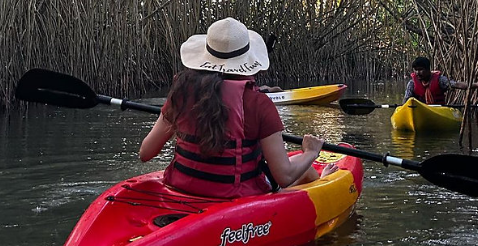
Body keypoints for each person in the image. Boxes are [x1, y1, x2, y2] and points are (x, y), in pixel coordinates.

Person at [139, 17, 338, 198]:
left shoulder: (180, 94)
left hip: (183, 188)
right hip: (235, 196)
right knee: (307, 170)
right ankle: (322, 184)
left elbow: (145, 153)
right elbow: (284, 175)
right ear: (248, 61)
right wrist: (311, 152)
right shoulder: (259, 104)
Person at [402, 56, 478, 104]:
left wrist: (476, 85)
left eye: (420, 70)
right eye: (415, 70)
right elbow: (406, 99)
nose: (417, 73)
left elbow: (456, 84)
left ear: (428, 69)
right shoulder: (412, 83)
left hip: (437, 109)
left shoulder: (440, 80)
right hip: (419, 110)